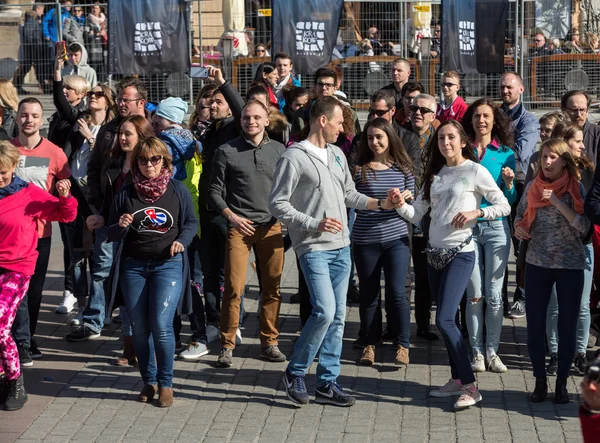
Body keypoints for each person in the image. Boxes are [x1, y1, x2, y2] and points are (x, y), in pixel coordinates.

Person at [269, 96, 396, 407]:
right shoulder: (294, 157)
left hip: (342, 248)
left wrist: (381, 204)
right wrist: (313, 223)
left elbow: (350, 194)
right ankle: (295, 372)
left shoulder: (338, 154)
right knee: (324, 311)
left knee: (338, 317)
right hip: (312, 247)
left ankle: (327, 382)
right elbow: (276, 203)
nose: (344, 128)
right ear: (322, 120)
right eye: (340, 122)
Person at [390, 120, 510, 409]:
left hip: (462, 252)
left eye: (451, 137)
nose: (446, 142)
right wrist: (397, 204)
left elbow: (503, 205)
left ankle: (470, 385)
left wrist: (477, 212)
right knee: (449, 321)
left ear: (462, 140)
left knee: (443, 318)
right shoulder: (435, 175)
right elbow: (416, 214)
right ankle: (457, 379)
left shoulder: (474, 170)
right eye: (441, 138)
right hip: (434, 254)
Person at [107, 137, 197, 407]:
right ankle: (150, 380)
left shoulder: (177, 189)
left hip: (167, 265)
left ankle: (166, 383)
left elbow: (191, 222)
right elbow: (110, 231)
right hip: (133, 267)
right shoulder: (126, 192)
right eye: (143, 160)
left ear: (164, 161)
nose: (149, 165)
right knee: (139, 328)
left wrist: (183, 241)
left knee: (161, 325)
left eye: (155, 159)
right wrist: (121, 225)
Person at [69, 77, 148, 342]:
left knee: (136, 271)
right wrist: (96, 202)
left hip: (141, 218)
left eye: (127, 100)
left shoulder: (151, 130)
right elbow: (93, 167)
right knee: (101, 268)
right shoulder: (108, 130)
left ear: (141, 102)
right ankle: (93, 322)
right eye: (120, 99)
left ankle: (135, 327)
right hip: (108, 213)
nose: (121, 104)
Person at [0, 141, 77, 411]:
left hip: (17, 268)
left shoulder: (27, 193)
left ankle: (15, 381)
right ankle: (3, 376)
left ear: (12, 168)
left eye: (3, 172)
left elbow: (64, 214)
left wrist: (65, 196)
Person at [209, 100, 286, 367]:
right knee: (233, 288)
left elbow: (287, 189)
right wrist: (232, 216)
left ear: (267, 121)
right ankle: (227, 345)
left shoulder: (280, 150)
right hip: (238, 229)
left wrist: (282, 217)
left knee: (272, 287)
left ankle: (269, 342)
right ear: (240, 121)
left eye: (256, 117)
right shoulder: (225, 151)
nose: (250, 122)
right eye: (246, 118)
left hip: (271, 227)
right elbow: (214, 192)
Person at [514, 138, 590, 404]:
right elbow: (519, 215)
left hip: (570, 266)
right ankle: (539, 381)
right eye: (544, 156)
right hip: (537, 264)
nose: (547, 162)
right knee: (535, 326)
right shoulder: (533, 187)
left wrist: (557, 202)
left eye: (553, 158)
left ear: (564, 161)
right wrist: (518, 228)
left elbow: (584, 227)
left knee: (566, 326)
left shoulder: (575, 188)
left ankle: (561, 383)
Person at [11, 98, 71, 366]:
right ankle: (18, 341)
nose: (29, 120)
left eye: (34, 115)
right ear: (17, 118)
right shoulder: (6, 150)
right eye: (24, 115)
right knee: (15, 292)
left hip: (40, 235)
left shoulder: (55, 152)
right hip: (10, 235)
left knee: (34, 291)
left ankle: (28, 337)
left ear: (41, 119)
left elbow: (67, 186)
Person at [90, 115, 154, 365]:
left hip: (143, 236)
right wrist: (100, 216)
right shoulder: (115, 160)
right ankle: (129, 348)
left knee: (142, 294)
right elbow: (109, 198)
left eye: (129, 133)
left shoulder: (149, 164)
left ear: (142, 135)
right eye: (121, 133)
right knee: (125, 293)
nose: (123, 138)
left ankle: (146, 345)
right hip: (116, 232)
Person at [353, 118, 415, 366]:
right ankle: (369, 343)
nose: (375, 142)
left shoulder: (403, 167)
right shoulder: (359, 169)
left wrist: (406, 198)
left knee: (397, 292)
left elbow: (413, 202)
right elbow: (351, 199)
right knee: (368, 295)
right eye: (370, 138)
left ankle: (403, 344)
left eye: (379, 136)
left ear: (390, 137)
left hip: (396, 238)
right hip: (364, 239)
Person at [462, 98, 516, 373]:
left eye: (486, 116)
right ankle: (476, 353)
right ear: (470, 120)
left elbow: (510, 198)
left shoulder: (506, 153)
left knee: (495, 295)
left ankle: (492, 351)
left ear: (495, 120)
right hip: (467, 227)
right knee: (475, 294)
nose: (481, 120)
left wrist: (508, 184)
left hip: (496, 227)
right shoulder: (462, 149)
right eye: (476, 116)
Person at [55, 79, 116, 319]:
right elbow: (67, 156)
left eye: (98, 94)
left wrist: (91, 138)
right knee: (77, 255)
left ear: (107, 101)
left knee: (100, 258)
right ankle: (81, 306)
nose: (92, 96)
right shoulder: (81, 123)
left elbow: (110, 161)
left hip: (99, 198)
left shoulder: (111, 130)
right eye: (90, 92)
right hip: (75, 194)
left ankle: (102, 306)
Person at [543, 123, 595, 376]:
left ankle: (581, 353)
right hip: (552, 249)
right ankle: (554, 353)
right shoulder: (544, 172)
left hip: (581, 246)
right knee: (554, 305)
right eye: (577, 141)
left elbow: (591, 211)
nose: (583, 146)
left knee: (582, 304)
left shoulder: (587, 172)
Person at [197, 67, 244, 341]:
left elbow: (241, 109)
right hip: (205, 211)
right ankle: (213, 320)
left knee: (231, 274)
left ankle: (232, 321)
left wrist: (224, 84)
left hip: (227, 213)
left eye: (218, 102)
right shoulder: (209, 132)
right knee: (209, 273)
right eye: (210, 102)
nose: (213, 106)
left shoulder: (234, 130)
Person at [499, 72, 540, 319]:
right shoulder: (494, 115)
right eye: (503, 87)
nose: (505, 91)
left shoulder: (529, 121)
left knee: (520, 244)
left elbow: (521, 154)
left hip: (520, 185)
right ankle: (498, 298)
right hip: (494, 186)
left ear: (521, 90)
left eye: (510, 87)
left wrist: (494, 155)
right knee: (497, 245)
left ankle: (521, 297)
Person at [151, 97, 198, 180]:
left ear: (173, 121)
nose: (154, 128)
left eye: (158, 123)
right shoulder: (190, 139)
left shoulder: (166, 142)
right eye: (153, 124)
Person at [13, 5, 48, 96]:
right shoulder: (31, 21)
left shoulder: (31, 21)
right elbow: (28, 35)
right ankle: (18, 86)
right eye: (42, 10)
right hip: (33, 49)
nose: (42, 13)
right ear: (38, 9)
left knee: (33, 68)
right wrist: (34, 45)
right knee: (34, 68)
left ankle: (18, 86)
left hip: (33, 49)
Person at [561, 90, 600, 166]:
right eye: (574, 110)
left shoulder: (597, 134)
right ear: (563, 110)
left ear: (587, 111)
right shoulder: (556, 132)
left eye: (582, 110)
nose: (578, 114)